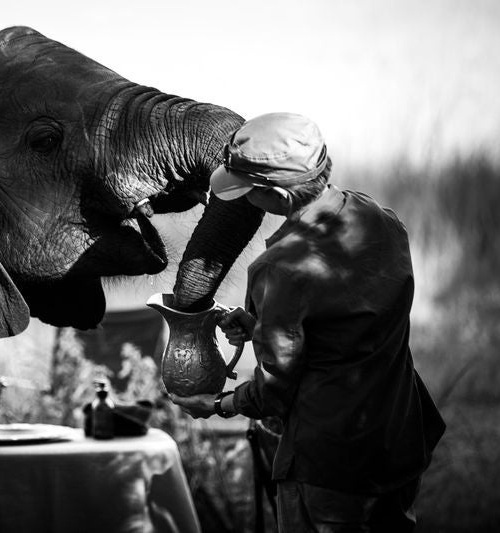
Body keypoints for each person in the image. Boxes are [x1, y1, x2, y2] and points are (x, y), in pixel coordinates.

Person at [170, 112, 445, 532]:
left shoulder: (279, 266)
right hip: (398, 437)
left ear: (279, 196)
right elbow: (350, 321)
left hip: (330, 464)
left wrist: (218, 405)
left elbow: (274, 393)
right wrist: (263, 325)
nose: (243, 201)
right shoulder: (382, 220)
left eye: (247, 192)